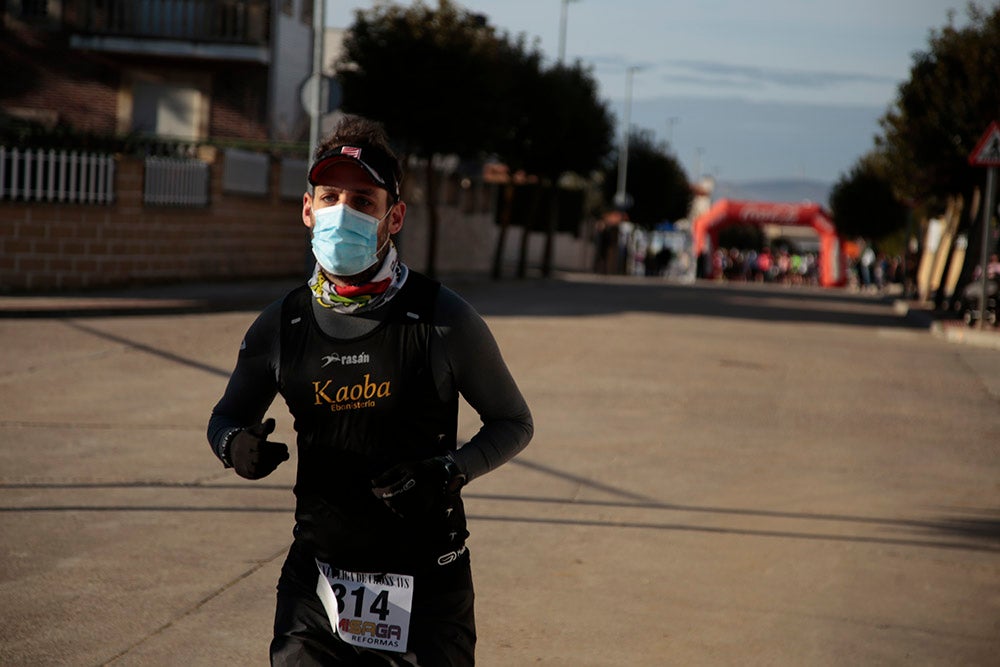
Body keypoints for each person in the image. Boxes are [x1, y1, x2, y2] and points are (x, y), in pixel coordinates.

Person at [207, 115, 533, 666]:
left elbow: (513, 421)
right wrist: (238, 448)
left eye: (363, 201)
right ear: (307, 209)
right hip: (316, 584)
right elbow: (225, 419)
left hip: (428, 584)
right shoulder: (281, 325)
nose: (343, 213)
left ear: (393, 217)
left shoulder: (442, 318)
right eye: (330, 197)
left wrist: (449, 471)